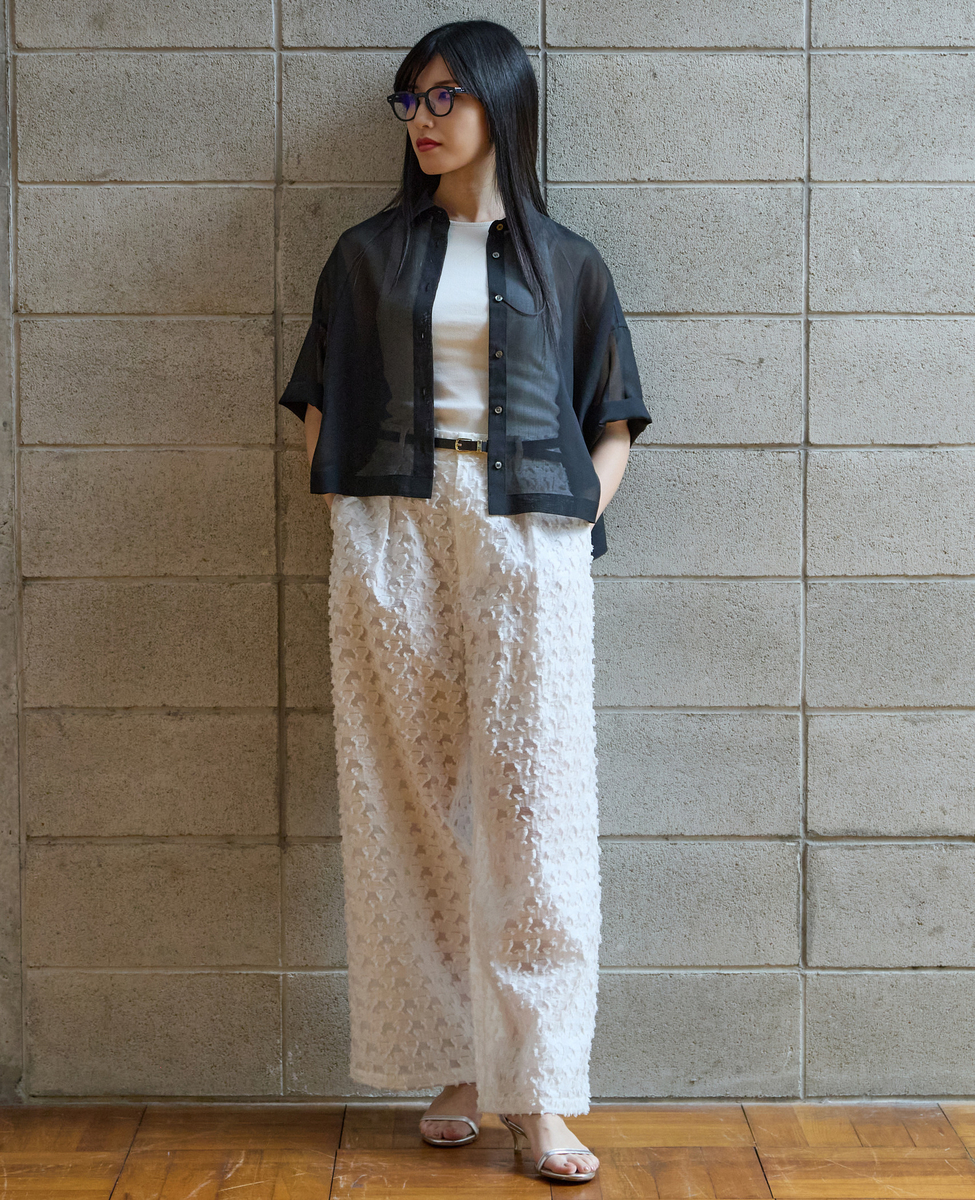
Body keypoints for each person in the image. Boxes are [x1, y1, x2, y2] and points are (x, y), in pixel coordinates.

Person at [279, 19, 650, 1184]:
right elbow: (316, 390)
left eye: (446, 97)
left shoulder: (568, 263)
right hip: (391, 524)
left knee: (536, 808)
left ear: (502, 104)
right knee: (409, 803)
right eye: (411, 101)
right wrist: (344, 503)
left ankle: (537, 1093)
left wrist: (577, 515)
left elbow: (616, 413)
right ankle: (454, 1066)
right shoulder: (366, 254)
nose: (424, 120)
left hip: (529, 529)